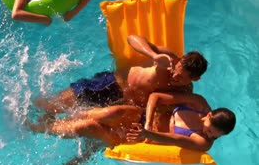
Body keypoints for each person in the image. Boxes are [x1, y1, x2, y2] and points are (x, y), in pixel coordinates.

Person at [34, 35, 209, 114]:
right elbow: (132, 38)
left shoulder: (186, 92)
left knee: (83, 136)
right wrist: (153, 55)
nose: (173, 76)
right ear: (180, 60)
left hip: (124, 107)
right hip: (109, 86)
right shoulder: (168, 58)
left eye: (179, 78)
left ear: (195, 79)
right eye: (175, 70)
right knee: (52, 106)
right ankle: (24, 111)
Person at [29, 91, 236, 152]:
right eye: (210, 130)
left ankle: (39, 128)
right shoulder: (198, 102)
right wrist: (146, 123)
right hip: (143, 119)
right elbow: (156, 96)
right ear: (208, 115)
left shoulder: (203, 143)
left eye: (215, 136)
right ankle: (48, 113)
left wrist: (145, 134)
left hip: (140, 139)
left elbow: (173, 139)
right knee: (107, 114)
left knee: (87, 127)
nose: (210, 137)